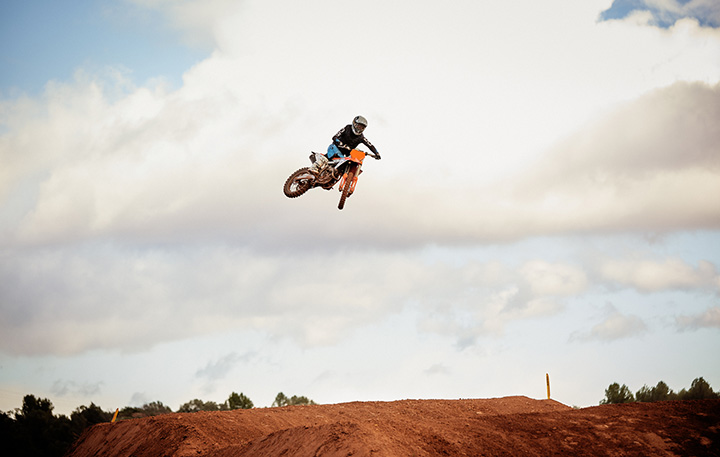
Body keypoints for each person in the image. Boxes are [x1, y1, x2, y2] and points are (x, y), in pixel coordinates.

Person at [310, 115, 381, 173]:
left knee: (345, 164)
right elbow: (335, 136)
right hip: (336, 147)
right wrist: (339, 143)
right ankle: (314, 167)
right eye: (358, 126)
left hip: (344, 155)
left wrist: (376, 153)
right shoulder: (347, 128)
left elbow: (370, 145)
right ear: (354, 123)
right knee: (329, 156)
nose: (359, 129)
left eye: (362, 127)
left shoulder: (361, 137)